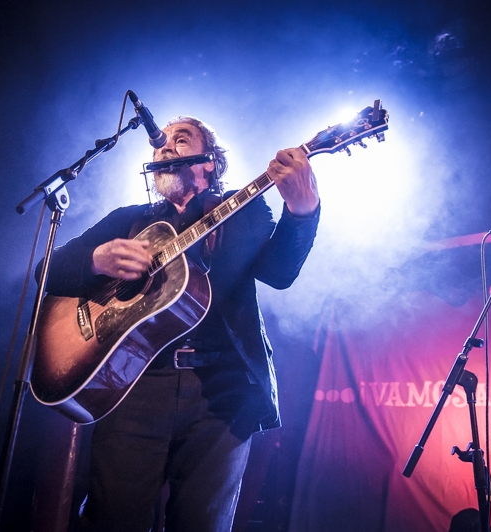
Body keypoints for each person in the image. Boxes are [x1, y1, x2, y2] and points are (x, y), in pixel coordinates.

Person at [40, 115, 320, 531]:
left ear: (209, 163)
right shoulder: (130, 220)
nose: (165, 147)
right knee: (111, 519)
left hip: (221, 392)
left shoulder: (245, 209)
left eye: (181, 140)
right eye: (160, 144)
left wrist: (302, 210)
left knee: (202, 523)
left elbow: (279, 274)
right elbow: (48, 270)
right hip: (133, 386)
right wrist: (96, 259)